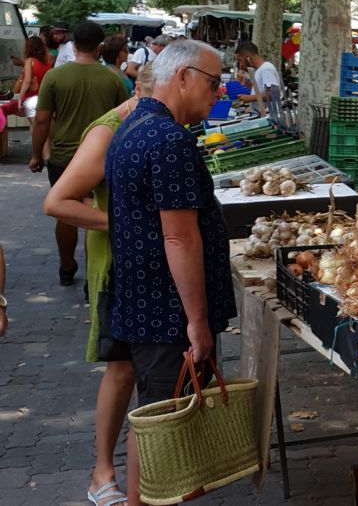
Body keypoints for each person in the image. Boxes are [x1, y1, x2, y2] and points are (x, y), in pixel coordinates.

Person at [105, 40, 237, 506]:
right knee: (166, 428)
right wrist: (197, 322)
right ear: (183, 77)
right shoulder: (169, 140)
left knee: (154, 421)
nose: (218, 93)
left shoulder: (133, 126)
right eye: (214, 82)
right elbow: (179, 237)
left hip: (144, 303)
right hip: (166, 314)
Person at [44, 64, 156, 506]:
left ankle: (148, 471)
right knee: (122, 368)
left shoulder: (146, 124)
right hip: (116, 270)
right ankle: (102, 474)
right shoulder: (108, 131)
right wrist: (125, 223)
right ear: (142, 91)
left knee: (143, 369)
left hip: (145, 266)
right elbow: (57, 202)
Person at [29, 20, 129, 286]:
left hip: (64, 157)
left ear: (73, 46)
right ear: (99, 47)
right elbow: (125, 119)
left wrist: (36, 155)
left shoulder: (54, 76)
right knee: (97, 211)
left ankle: (66, 267)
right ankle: (95, 277)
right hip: (103, 158)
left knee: (66, 212)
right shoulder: (112, 78)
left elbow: (42, 120)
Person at [0, 36, 51, 124]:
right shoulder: (47, 62)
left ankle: (3, 132)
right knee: (43, 129)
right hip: (45, 98)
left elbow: (27, 81)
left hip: (31, 98)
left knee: (3, 109)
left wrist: (20, 98)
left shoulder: (29, 61)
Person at [235, 41, 283, 119]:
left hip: (270, 117)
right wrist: (246, 83)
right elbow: (260, 89)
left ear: (248, 57)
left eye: (240, 60)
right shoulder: (258, 70)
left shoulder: (266, 69)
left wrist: (250, 98)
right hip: (261, 115)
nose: (240, 65)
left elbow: (273, 94)